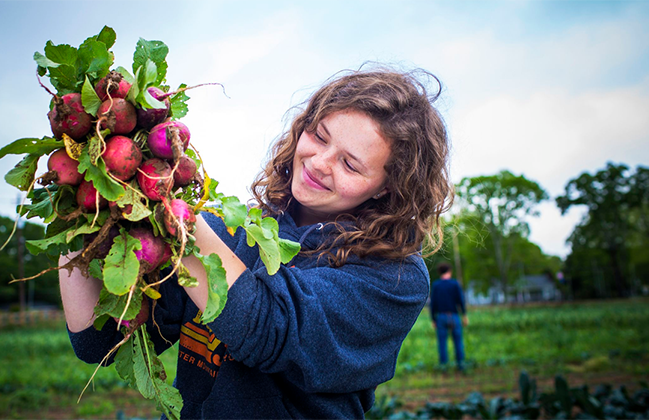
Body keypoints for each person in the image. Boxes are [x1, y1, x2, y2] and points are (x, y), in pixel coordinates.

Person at [59, 66, 453, 419]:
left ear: (387, 189)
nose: (319, 162)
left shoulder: (394, 277)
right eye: (318, 136)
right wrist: (76, 207)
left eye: (350, 164)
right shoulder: (239, 232)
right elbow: (102, 340)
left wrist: (169, 206)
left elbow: (267, 326)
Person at [429, 262, 468, 371]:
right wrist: (464, 315)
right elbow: (460, 301)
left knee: (442, 343)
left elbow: (433, 303)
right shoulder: (455, 284)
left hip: (441, 317)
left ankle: (444, 366)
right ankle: (460, 365)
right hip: (454, 316)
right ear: (449, 271)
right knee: (458, 341)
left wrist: (433, 318)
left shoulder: (436, 285)